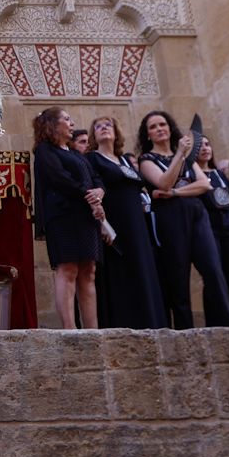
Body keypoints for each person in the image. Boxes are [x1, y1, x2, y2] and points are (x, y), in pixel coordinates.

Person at [137, 111, 229, 328]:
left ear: (170, 128)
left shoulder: (187, 157)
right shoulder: (146, 160)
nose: (159, 128)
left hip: (196, 213)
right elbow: (163, 182)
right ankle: (185, 334)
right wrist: (180, 154)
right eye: (153, 127)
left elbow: (204, 184)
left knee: (213, 270)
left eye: (162, 124)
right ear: (148, 135)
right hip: (169, 218)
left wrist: (174, 193)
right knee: (178, 279)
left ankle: (227, 327)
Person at [86, 116, 166, 330]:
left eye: (108, 125)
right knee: (121, 272)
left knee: (142, 268)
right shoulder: (92, 158)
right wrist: (102, 223)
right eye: (98, 126)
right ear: (94, 135)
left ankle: (150, 323)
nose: (104, 128)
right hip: (115, 223)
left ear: (116, 132)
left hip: (137, 224)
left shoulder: (123, 160)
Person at [31, 108, 104, 329]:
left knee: (88, 270)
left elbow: (94, 176)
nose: (71, 123)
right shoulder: (45, 150)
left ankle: (92, 329)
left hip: (84, 215)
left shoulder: (74, 153)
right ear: (52, 124)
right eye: (66, 119)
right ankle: (70, 329)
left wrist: (100, 191)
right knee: (68, 268)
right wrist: (88, 195)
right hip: (63, 216)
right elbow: (59, 178)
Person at [195, 136, 229, 316]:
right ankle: (217, 319)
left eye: (207, 144)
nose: (205, 148)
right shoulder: (194, 175)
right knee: (214, 275)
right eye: (200, 146)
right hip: (209, 226)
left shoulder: (220, 174)